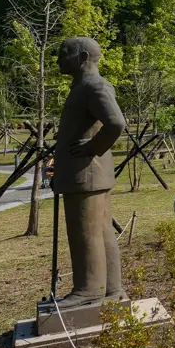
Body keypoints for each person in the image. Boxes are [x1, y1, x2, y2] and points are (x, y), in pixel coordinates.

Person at [50, 38, 127, 306]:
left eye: (63, 55)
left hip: (86, 174)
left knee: (86, 231)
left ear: (82, 57)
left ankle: (89, 288)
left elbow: (116, 123)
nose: (58, 60)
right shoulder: (84, 87)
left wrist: (92, 148)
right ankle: (111, 288)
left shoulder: (93, 87)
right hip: (87, 174)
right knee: (101, 231)